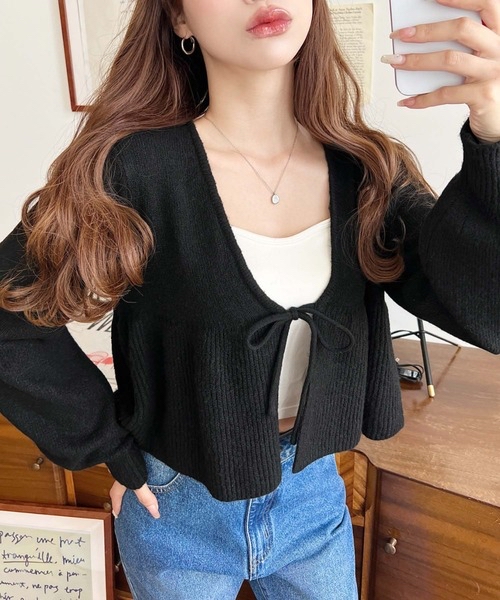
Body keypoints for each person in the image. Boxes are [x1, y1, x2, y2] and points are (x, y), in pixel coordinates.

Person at [0, 0, 499, 598]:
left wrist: (493, 138)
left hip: (313, 496)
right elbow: (10, 315)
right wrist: (108, 445)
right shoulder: (130, 171)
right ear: (179, 19)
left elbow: (487, 314)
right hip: (175, 505)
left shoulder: (368, 171)